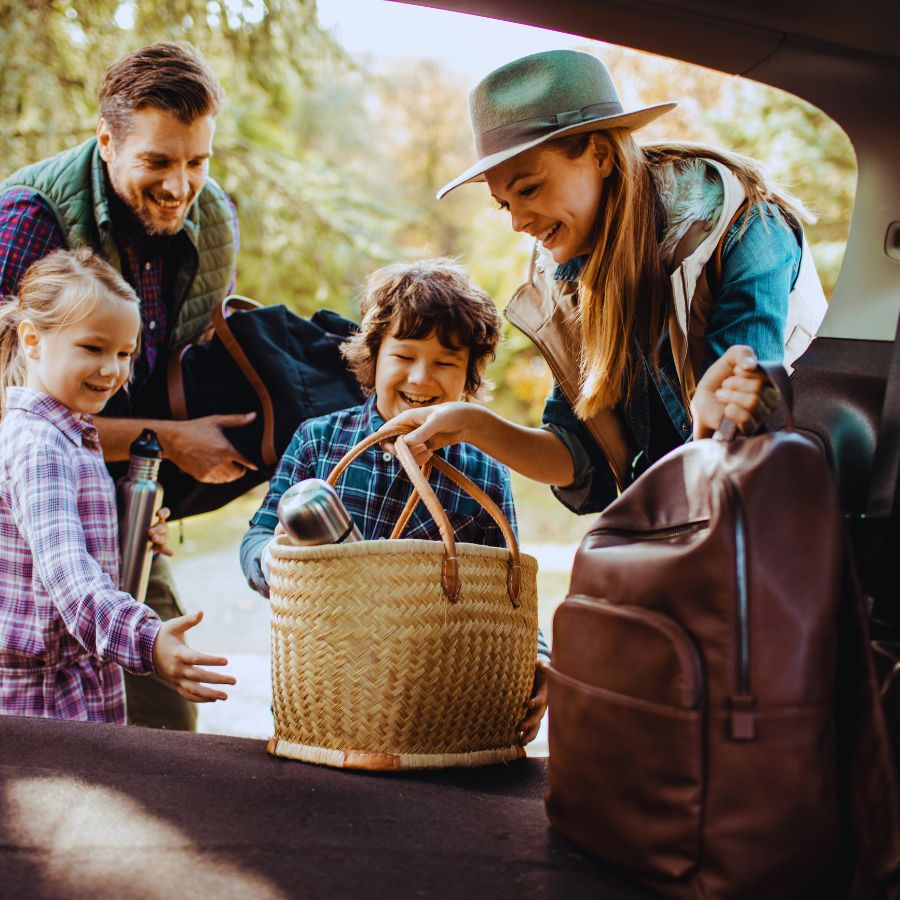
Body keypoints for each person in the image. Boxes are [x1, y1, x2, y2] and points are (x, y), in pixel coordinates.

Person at [382, 49, 825, 516]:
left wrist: (728, 410)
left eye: (529, 189)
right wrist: (473, 425)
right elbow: (578, 456)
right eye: (504, 204)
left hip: (770, 515)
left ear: (599, 155)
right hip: (673, 520)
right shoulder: (570, 278)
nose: (517, 223)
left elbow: (748, 431)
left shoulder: (744, 230)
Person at [0, 42, 250, 730]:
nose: (179, 185)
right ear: (106, 141)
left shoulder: (214, 221)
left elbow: (169, 372)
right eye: (157, 162)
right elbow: (11, 414)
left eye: (196, 161)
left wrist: (145, 487)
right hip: (25, 514)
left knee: (163, 718)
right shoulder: (29, 220)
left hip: (111, 486)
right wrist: (166, 442)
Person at [240, 259, 550, 743]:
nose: (422, 379)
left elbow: (509, 591)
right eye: (404, 356)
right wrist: (274, 558)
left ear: (469, 374)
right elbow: (257, 537)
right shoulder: (320, 442)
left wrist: (539, 658)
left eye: (445, 363)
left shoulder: (486, 469)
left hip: (435, 695)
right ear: (373, 357)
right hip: (328, 680)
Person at [0, 249, 235, 723]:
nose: (112, 369)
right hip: (42, 700)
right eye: (93, 347)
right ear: (32, 340)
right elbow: (68, 575)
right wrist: (148, 640)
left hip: (79, 678)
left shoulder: (73, 434)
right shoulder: (38, 443)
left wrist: (129, 536)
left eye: (124, 353)